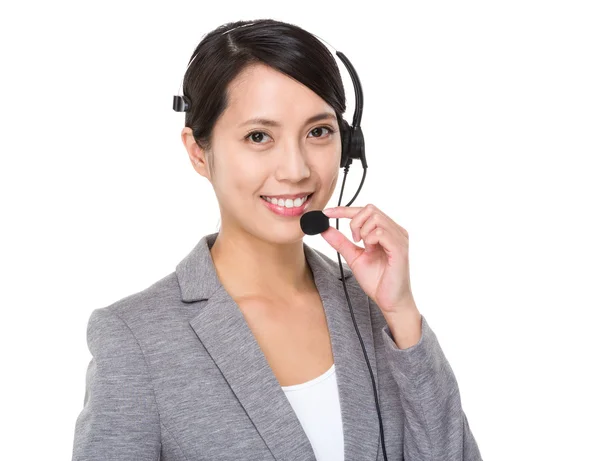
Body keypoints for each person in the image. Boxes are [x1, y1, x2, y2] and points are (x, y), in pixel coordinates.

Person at [71, 18, 483, 461]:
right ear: (198, 152)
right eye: (259, 136)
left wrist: (401, 313)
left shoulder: (376, 310)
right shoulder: (134, 338)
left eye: (318, 132)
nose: (296, 169)